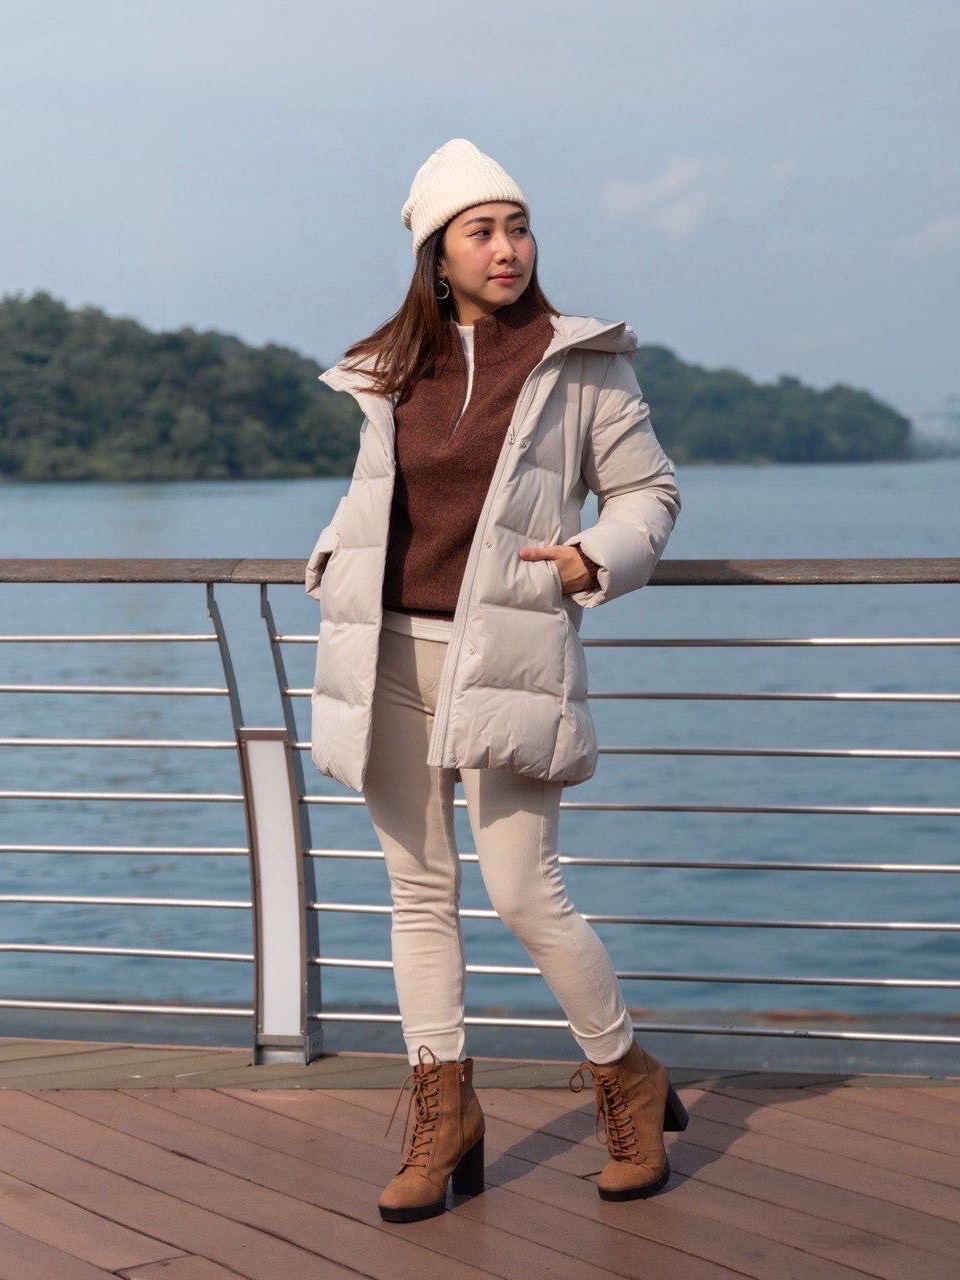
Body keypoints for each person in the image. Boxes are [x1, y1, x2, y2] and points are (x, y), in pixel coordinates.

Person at [305, 137, 687, 1224]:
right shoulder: (389, 367)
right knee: (419, 891)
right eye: (482, 230)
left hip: (508, 655)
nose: (507, 247)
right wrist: (331, 552)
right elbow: (377, 495)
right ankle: (445, 1114)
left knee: (524, 890)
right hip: (387, 652)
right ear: (437, 253)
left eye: (518, 227)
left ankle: (625, 1075)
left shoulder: (581, 363)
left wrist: (595, 557)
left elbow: (649, 492)